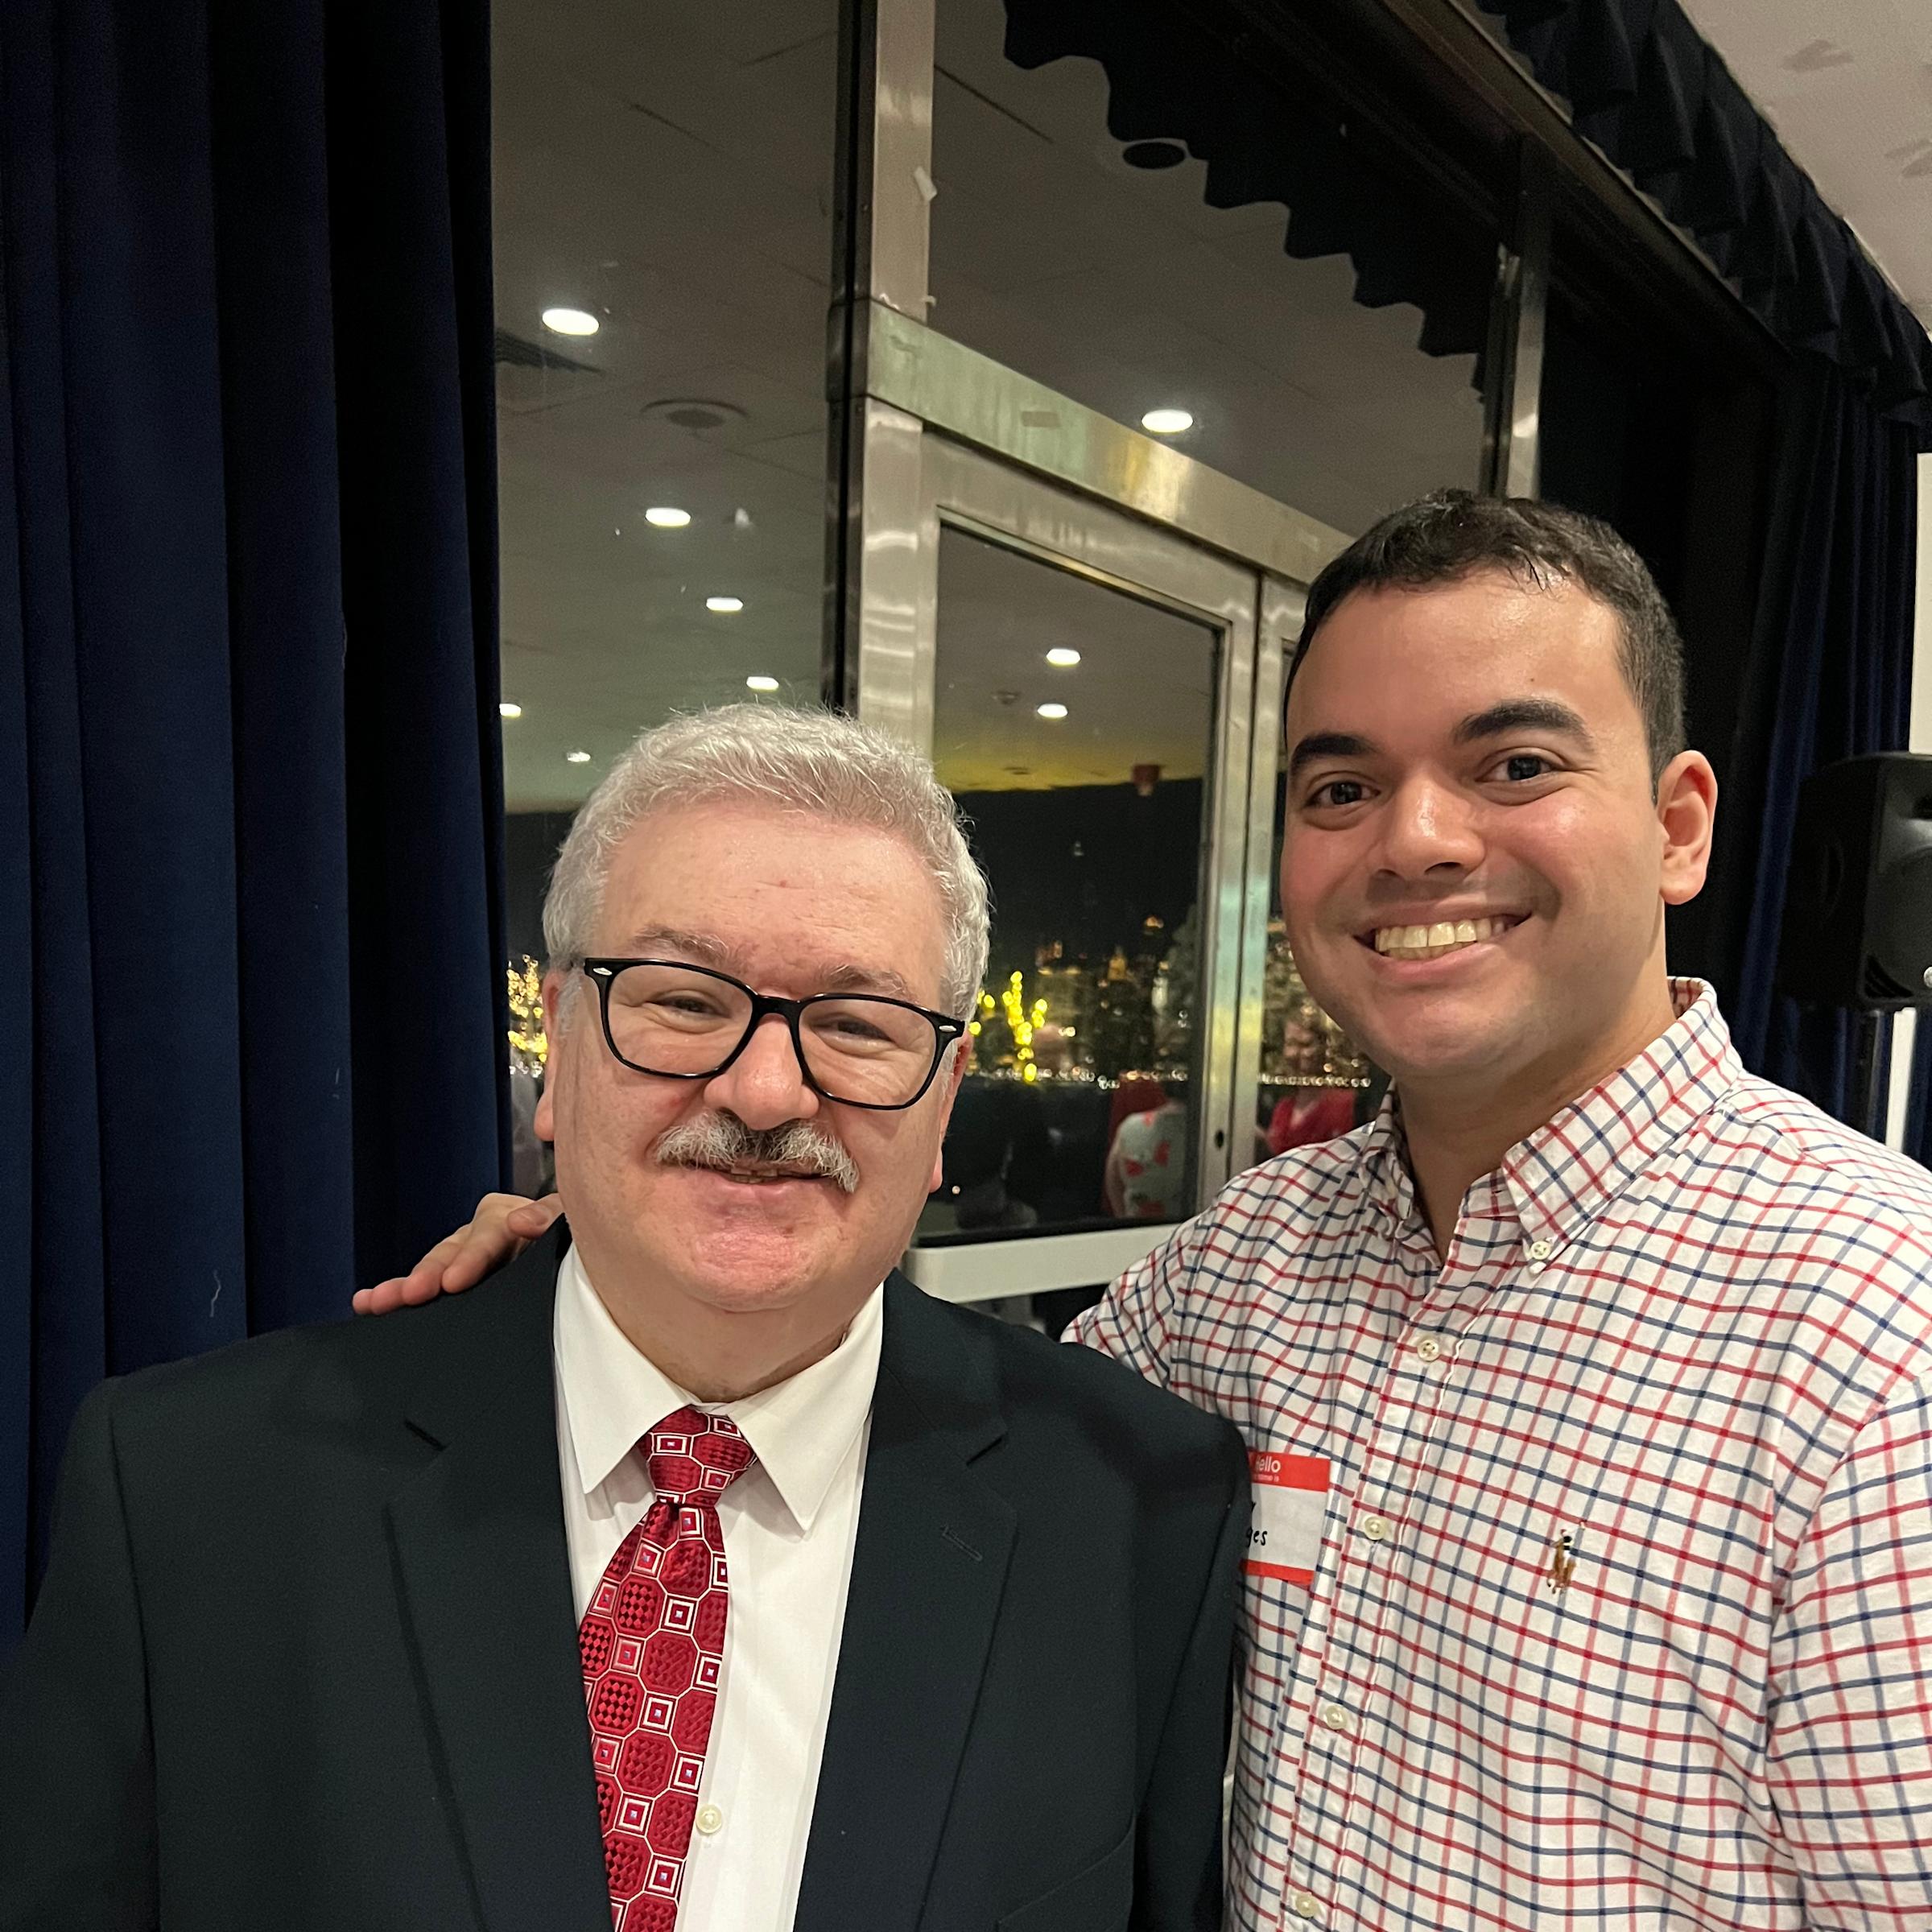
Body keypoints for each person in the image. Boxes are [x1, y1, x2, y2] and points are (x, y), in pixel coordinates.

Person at [373, 493, 1932, 1929]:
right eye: (1344, 784)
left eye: (1514, 765)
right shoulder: (1253, 1267)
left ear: (1677, 822)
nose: (1420, 840)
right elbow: (935, 1408)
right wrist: (619, 1276)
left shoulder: (1875, 1339)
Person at [0, 706, 1247, 1932]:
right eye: (684, 1002)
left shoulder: (1140, 1520)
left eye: (857, 1027)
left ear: (945, 1103)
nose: (766, 1091)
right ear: (557, 1043)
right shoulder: (190, 1495)